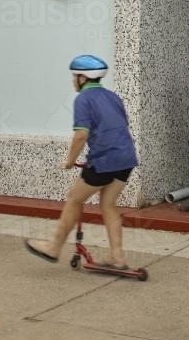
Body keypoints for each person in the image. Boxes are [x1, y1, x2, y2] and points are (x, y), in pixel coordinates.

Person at [25, 54, 139, 269]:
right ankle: (118, 258)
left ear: (83, 78)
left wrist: (70, 161)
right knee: (108, 205)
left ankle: (53, 247)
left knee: (74, 199)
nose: (73, 80)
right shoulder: (113, 96)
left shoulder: (83, 99)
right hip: (126, 159)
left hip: (104, 161)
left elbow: (81, 135)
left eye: (75, 76)